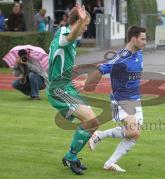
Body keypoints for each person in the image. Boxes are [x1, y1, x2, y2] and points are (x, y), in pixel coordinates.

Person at [80, 26, 147, 172]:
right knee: (133, 131)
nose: (145, 42)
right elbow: (100, 69)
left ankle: (109, 162)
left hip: (135, 100)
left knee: (134, 135)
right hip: (121, 101)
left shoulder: (139, 53)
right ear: (133, 39)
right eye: (142, 39)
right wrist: (85, 83)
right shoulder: (120, 58)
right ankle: (98, 136)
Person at [46, 4, 99, 175]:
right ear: (77, 21)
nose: (86, 27)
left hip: (66, 86)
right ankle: (71, 157)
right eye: (85, 24)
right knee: (91, 121)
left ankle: (71, 156)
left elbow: (65, 59)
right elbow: (68, 38)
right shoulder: (64, 32)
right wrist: (80, 21)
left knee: (92, 123)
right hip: (59, 90)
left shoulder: (70, 38)